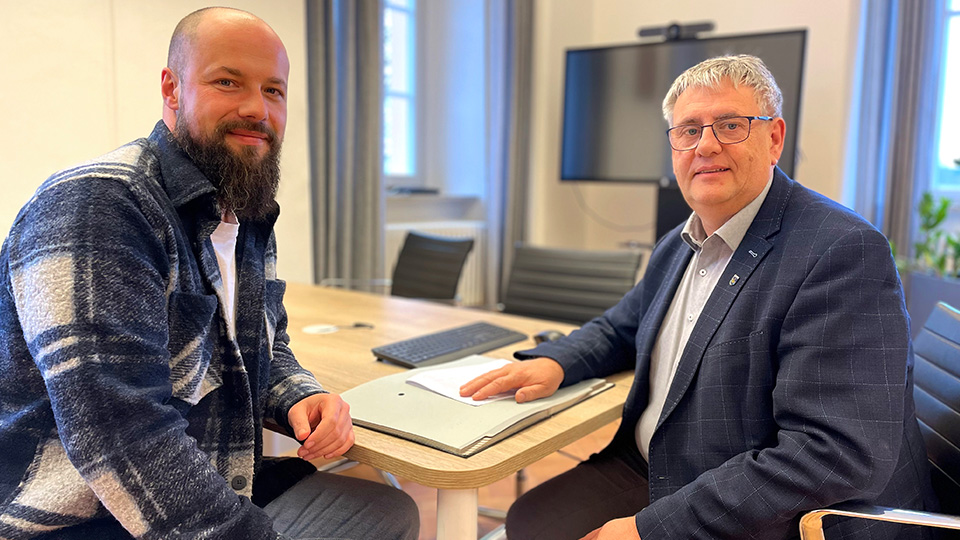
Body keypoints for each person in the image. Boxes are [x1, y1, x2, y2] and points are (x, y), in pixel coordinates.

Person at [461, 54, 937, 540]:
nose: (705, 145)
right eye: (689, 130)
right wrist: (557, 362)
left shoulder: (842, 251)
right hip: (662, 465)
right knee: (530, 519)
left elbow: (832, 454)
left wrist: (650, 530)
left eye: (730, 125)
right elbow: (621, 327)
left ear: (774, 138)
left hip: (770, 510)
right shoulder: (681, 242)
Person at [0, 7, 418, 540]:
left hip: (212, 469)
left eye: (273, 90)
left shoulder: (243, 211)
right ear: (171, 89)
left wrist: (300, 395)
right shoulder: (98, 207)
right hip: (81, 517)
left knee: (389, 510)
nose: (257, 108)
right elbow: (122, 438)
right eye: (228, 82)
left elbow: (262, 346)